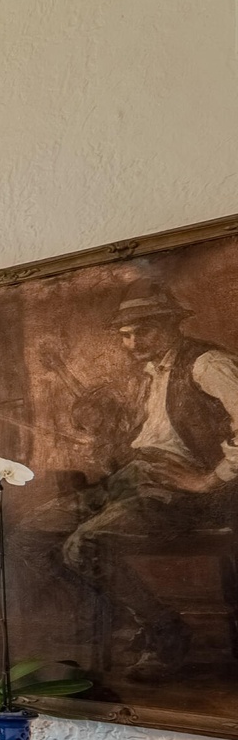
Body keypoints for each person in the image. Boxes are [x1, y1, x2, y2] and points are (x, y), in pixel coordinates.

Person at [59, 277, 238, 675]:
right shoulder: (150, 372)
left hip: (189, 494)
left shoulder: (208, 364)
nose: (133, 342)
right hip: (137, 477)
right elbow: (152, 435)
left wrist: (209, 479)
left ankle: (164, 630)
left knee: (83, 545)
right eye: (126, 334)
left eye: (144, 330)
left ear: (173, 324)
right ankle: (122, 620)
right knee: (28, 533)